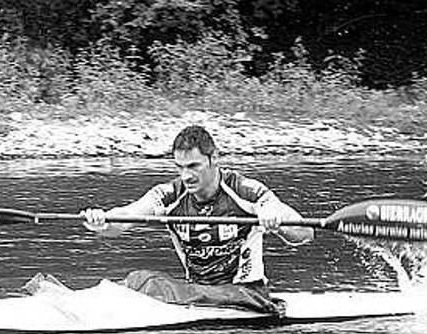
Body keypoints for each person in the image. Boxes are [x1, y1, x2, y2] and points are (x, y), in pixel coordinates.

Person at [80, 125, 314, 314]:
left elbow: (305, 234)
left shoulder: (245, 190)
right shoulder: (170, 194)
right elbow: (127, 216)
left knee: (145, 282)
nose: (186, 176)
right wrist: (103, 221)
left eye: (193, 166)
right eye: (180, 167)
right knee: (136, 280)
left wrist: (277, 222)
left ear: (214, 158)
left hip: (246, 295)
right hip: (199, 294)